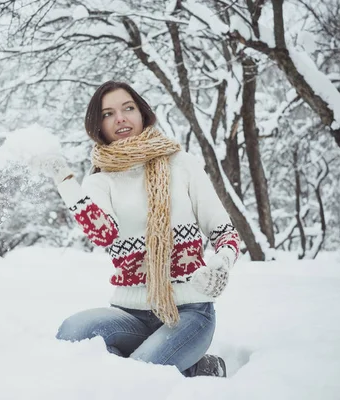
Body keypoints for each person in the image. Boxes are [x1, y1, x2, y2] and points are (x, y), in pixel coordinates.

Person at [31, 81, 240, 377]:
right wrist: (64, 181)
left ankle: (178, 361)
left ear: (142, 113)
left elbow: (224, 232)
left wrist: (223, 263)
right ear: (98, 125)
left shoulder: (182, 164)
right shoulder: (100, 181)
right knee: (72, 334)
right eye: (108, 113)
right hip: (130, 314)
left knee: (140, 374)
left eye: (128, 108)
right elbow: (104, 234)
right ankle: (188, 366)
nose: (120, 118)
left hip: (190, 311)